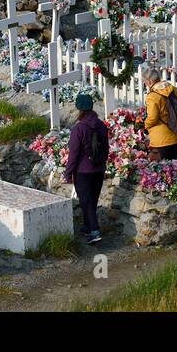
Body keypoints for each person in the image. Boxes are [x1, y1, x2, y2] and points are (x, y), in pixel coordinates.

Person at [64, 93, 109, 244]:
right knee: (92, 200)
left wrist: (68, 173)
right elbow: (106, 149)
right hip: (98, 169)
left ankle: (95, 231)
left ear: (79, 109)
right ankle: (87, 227)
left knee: (85, 201)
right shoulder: (101, 125)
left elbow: (74, 153)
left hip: (83, 170)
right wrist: (102, 164)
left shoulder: (79, 128)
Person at [143, 67, 177, 161]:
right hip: (175, 133)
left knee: (164, 170)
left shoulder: (152, 96)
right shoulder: (172, 89)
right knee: (176, 167)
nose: (144, 83)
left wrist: (144, 125)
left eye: (144, 81)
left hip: (161, 139)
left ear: (149, 81)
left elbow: (153, 118)